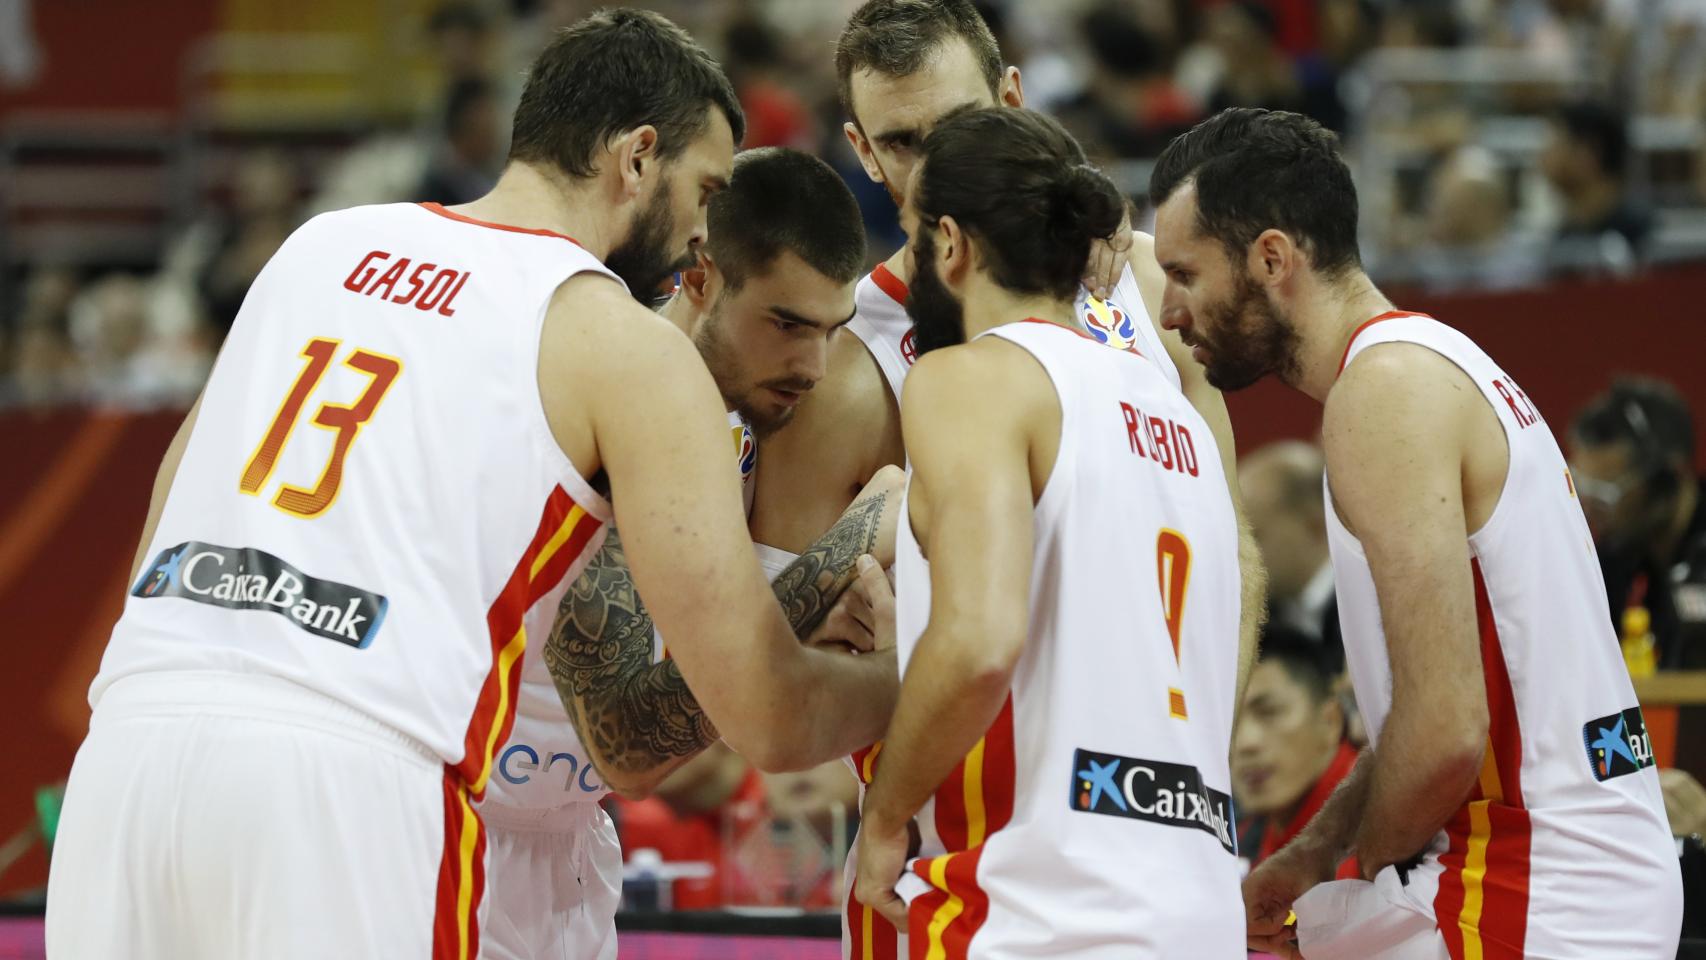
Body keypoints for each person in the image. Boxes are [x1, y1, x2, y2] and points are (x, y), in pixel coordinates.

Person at [44, 12, 897, 959]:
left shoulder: (318, 246)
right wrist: (920, 681)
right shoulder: (618, 338)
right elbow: (767, 713)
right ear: (637, 157)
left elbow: (169, 504)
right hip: (351, 777)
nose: (701, 234)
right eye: (704, 190)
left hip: (132, 743)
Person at [751, 7, 1265, 953]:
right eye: (901, 143)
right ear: (862, 151)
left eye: (956, 130)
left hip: (1023, 889)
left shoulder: (1146, 290)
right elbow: (774, 688)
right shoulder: (848, 361)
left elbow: (1231, 567)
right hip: (1054, 869)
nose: (931, 169)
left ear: (1014, 102)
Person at [1150, 106, 1681, 959]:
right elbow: (1431, 714)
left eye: (1184, 274)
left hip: (1529, 889)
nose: (1171, 312)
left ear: (1273, 259)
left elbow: (1443, 731)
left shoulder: (1384, 393)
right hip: (1576, 878)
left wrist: (1349, 881)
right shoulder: (1436, 363)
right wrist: (1320, 848)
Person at [481, 146, 898, 960]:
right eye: (785, 324)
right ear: (701, 275)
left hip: (569, 834)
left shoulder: (742, 412)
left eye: (830, 331)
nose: (812, 366)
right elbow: (629, 740)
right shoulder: (625, 378)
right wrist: (857, 537)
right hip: (465, 813)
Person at [851, 105, 1246, 958]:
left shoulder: (970, 376)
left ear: (950, 243)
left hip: (1041, 904)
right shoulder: (1174, 414)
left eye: (917, 236)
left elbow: (983, 638)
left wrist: (884, 814)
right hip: (1198, 898)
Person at [1569, 377, 1706, 669]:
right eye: (1584, 490)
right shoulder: (1613, 564)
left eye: (1606, 497)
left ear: (1669, 479)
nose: (1589, 511)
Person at [1234, 626, 1358, 879]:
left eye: (1269, 712)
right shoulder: (1239, 843)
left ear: (1331, 721)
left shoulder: (1387, 828)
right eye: (1229, 723)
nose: (1245, 743)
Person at [1240, 440, 1336, 648]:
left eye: (1256, 537)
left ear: (1315, 527)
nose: (1241, 556)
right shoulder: (1263, 619)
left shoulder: (1372, 606)